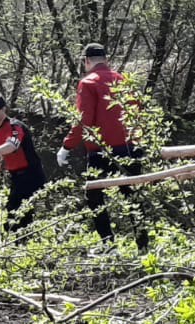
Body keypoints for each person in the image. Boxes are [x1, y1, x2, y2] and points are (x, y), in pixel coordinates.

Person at [59, 43, 148, 251]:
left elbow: (83, 120)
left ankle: (108, 245)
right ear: (106, 60)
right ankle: (143, 246)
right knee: (133, 196)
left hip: (102, 151)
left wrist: (67, 146)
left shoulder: (87, 83)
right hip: (130, 146)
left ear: (86, 61)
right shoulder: (124, 81)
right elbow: (137, 115)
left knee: (95, 195)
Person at [0, 92, 47, 230]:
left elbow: (13, 144)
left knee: (17, 217)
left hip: (31, 176)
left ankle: (22, 245)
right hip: (16, 177)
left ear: (3, 109)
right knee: (14, 216)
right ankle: (20, 243)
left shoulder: (15, 126)